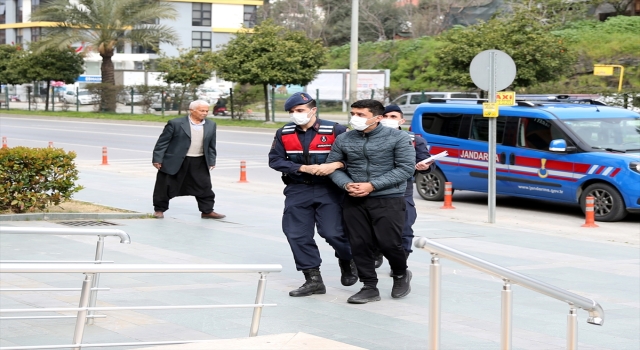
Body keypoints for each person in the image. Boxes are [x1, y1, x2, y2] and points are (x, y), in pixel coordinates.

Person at [326, 99, 416, 304]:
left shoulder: (398, 137)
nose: (354, 118)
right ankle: (369, 286)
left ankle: (401, 274)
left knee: (389, 243)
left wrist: (372, 185)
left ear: (378, 118)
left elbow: (405, 169)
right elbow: (333, 166)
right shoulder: (344, 139)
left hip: (388, 198)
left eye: (361, 115)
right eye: (353, 114)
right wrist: (347, 185)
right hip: (354, 198)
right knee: (359, 244)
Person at [268, 92, 358, 297]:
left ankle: (347, 258)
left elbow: (354, 157)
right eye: (292, 112)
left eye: (300, 110)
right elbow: (275, 160)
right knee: (296, 233)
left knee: (332, 232)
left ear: (313, 110)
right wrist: (302, 168)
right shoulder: (284, 133)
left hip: (330, 188)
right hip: (298, 188)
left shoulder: (336, 130)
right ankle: (313, 279)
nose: (295, 115)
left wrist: (336, 165)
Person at [374, 104, 434, 269]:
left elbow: (427, 163)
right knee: (376, 225)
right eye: (385, 116)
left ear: (402, 120)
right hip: (374, 188)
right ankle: (377, 251)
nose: (388, 120)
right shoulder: (369, 138)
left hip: (403, 189)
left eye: (393, 117)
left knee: (404, 227)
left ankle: (400, 264)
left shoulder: (415, 140)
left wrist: (425, 166)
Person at [151, 100, 225, 220]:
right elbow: (162, 143)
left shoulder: (211, 125)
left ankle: (207, 211)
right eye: (202, 110)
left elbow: (211, 145)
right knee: (164, 186)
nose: (205, 113)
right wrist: (157, 159)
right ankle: (159, 210)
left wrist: (211, 160)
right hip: (175, 161)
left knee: (205, 187)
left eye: (206, 111)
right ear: (192, 110)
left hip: (199, 161)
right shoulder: (175, 123)